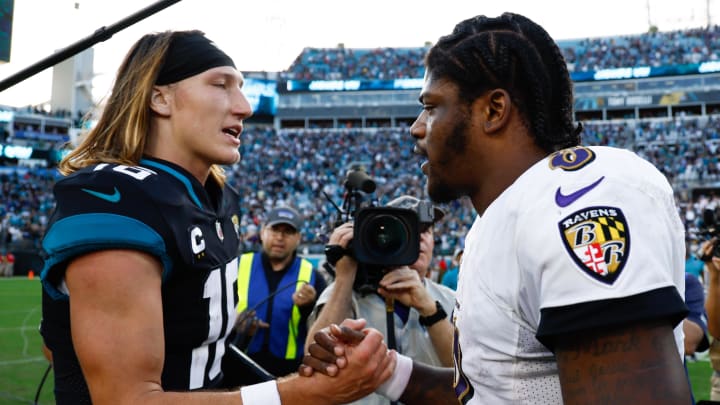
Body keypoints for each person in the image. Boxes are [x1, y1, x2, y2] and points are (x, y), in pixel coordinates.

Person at [302, 12, 692, 404]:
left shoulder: (577, 195)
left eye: (432, 106)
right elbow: (493, 393)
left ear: (493, 110)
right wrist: (387, 372)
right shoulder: (505, 217)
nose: (416, 127)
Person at [38, 29, 394, 405]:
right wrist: (302, 395)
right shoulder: (114, 198)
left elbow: (205, 358)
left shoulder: (219, 199)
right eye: (220, 85)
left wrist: (290, 380)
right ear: (160, 97)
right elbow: (126, 399)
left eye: (239, 86)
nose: (245, 106)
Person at [306, 194, 456, 405]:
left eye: (426, 230)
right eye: (411, 230)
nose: (420, 237)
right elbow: (314, 355)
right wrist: (344, 278)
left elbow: (467, 372)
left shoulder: (451, 299)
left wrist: (431, 311)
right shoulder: (346, 294)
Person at [224, 205, 326, 385]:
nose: (280, 237)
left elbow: (323, 328)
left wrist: (309, 306)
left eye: (288, 232)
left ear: (299, 238)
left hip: (289, 373)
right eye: (275, 230)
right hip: (237, 365)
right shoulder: (238, 265)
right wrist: (235, 320)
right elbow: (215, 311)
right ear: (263, 232)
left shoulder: (312, 276)